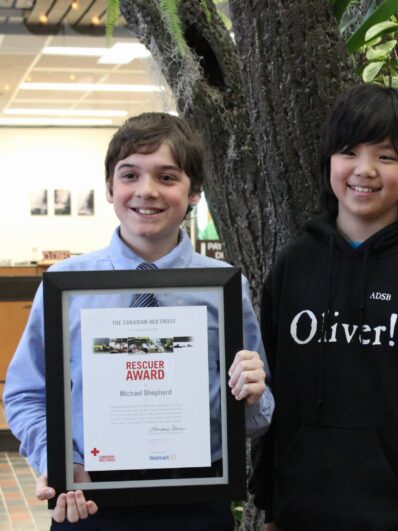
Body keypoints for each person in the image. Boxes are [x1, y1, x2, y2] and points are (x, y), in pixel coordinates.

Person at [3, 112, 274, 530]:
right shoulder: (66, 286)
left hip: (196, 502)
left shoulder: (224, 288)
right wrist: (58, 461)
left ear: (194, 192)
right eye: (130, 175)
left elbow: (257, 412)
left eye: (167, 177)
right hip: (88, 498)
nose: (146, 191)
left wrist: (253, 395)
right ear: (110, 187)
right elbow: (25, 393)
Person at [251, 84, 398, 530]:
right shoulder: (294, 266)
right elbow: (268, 391)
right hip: (299, 514)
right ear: (329, 160)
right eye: (349, 152)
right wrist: (269, 504)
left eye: (386, 156)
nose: (364, 170)